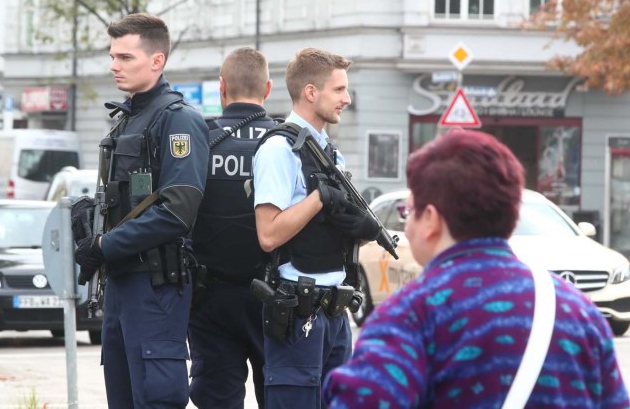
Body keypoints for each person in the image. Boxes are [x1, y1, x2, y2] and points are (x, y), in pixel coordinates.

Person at [322, 129, 630, 408]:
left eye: (410, 211)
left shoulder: (412, 316)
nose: (407, 221)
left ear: (430, 220)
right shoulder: (580, 314)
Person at [72, 13, 209, 409]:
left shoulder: (178, 120)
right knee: (122, 396)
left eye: (126, 57)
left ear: (156, 60)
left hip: (156, 285)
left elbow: (178, 210)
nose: (114, 65)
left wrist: (105, 244)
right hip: (121, 282)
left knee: (156, 399)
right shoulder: (126, 120)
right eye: (113, 56)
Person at [253, 47, 380, 409]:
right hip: (298, 309)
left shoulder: (328, 151)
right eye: (339, 90)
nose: (347, 98)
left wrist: (362, 226)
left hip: (335, 312)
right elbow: (268, 235)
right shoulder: (280, 149)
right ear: (311, 92)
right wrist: (319, 198)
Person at [187, 47, 277, 409]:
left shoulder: (200, 141)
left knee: (216, 400)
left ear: (221, 87)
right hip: (274, 297)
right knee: (280, 394)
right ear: (268, 89)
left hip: (210, 299)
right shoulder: (286, 142)